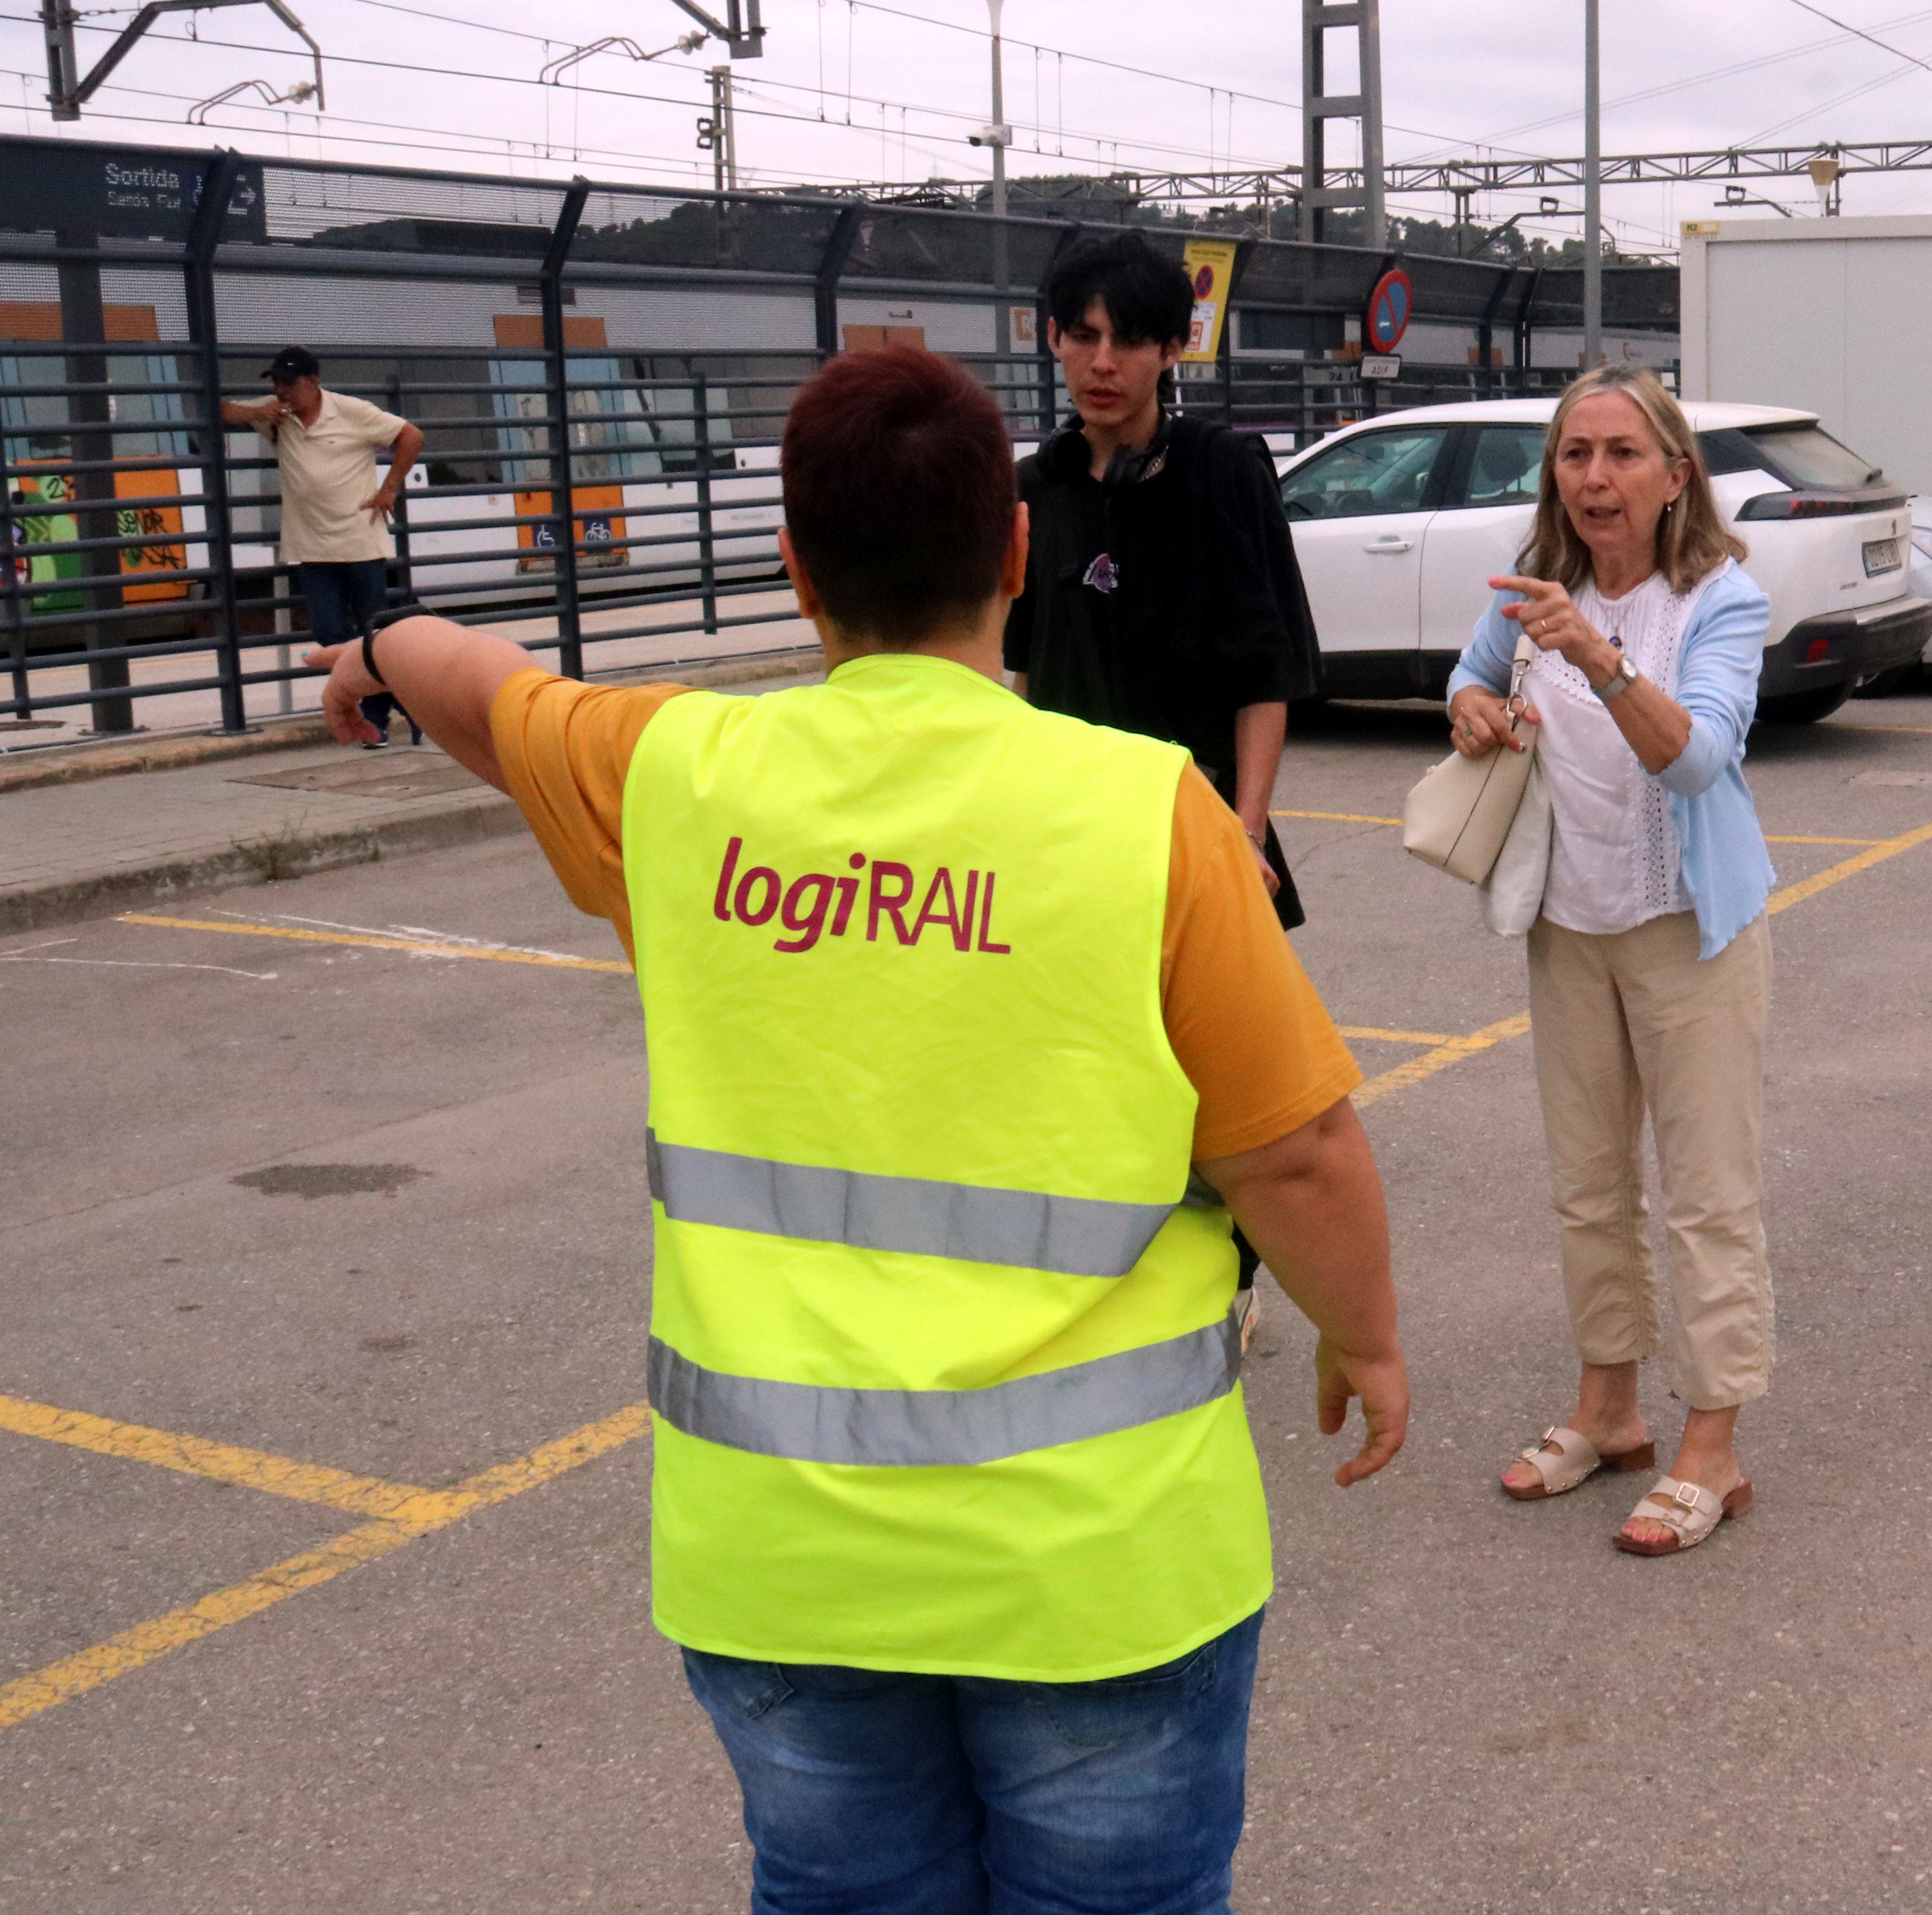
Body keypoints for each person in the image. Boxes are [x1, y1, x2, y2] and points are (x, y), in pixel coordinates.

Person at [301, 345, 1406, 1914]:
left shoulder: (673, 773)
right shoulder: (1144, 807)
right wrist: (1364, 1337)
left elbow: (480, 690)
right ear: (1018, 551)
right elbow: (1292, 1152)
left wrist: (379, 649)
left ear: (794, 567)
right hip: (1097, 1559)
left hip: (782, 1556)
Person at [1444, 365, 1777, 1558]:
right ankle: (1609, 1409)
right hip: (1564, 926)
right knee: (1586, 1185)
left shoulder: (1721, 601)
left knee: (1706, 1197)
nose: (1593, 476)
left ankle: (1712, 1442)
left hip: (1691, 929)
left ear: (1674, 476)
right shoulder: (1533, 587)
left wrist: (1597, 653)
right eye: (1575, 453)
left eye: (1622, 454)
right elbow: (1470, 677)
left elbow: (1698, 761)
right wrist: (1471, 710)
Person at [1004, 228, 1322, 928]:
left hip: (1194, 833)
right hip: (1068, 838)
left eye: (1131, 341)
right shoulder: (1032, 489)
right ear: (1054, 338)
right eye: (1084, 337)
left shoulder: (1226, 473)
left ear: (1172, 350)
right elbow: (1025, 676)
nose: (1103, 363)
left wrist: (1246, 832)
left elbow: (1268, 675)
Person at [222, 345, 424, 747]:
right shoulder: (275, 416)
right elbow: (222, 410)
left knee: (373, 632)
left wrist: (388, 489)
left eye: (289, 383)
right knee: (330, 634)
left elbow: (411, 435)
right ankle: (402, 698)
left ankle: (376, 718)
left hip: (360, 541)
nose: (281, 391)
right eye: (276, 383)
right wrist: (255, 413)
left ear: (313, 383)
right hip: (311, 547)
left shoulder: (350, 411)